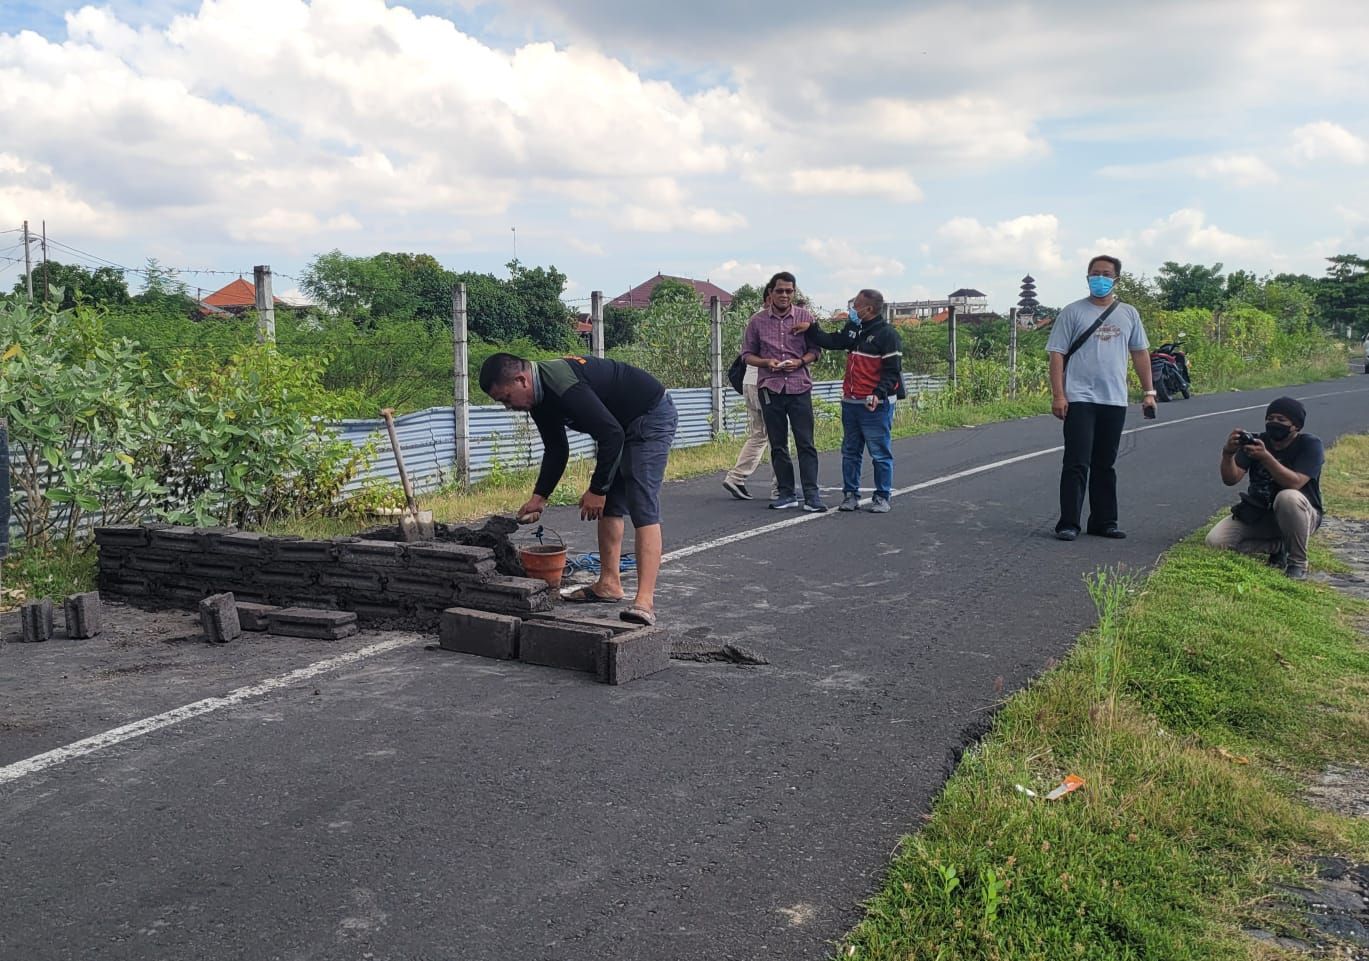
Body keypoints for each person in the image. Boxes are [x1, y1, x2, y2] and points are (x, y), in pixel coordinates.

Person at [479, 352, 677, 626]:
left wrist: (597, 489)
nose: (509, 407)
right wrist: (539, 497)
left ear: (521, 379)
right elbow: (557, 449)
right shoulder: (538, 399)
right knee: (609, 503)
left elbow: (611, 435)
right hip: (618, 426)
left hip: (649, 416)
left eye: (506, 398)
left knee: (642, 503)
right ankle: (609, 584)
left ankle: (644, 602)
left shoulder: (563, 385)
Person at [1046, 254, 1157, 540]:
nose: (1100, 278)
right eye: (1095, 273)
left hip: (1114, 399)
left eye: (1106, 274)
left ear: (1116, 278)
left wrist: (1149, 392)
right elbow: (1056, 354)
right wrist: (1059, 395)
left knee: (1105, 464)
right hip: (1079, 397)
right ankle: (1069, 522)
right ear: (1087, 277)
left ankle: (1104, 521)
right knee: (1076, 461)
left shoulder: (1129, 313)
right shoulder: (1072, 312)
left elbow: (1140, 353)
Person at [789, 288, 904, 512]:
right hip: (851, 401)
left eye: (856, 305)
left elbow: (892, 372)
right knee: (850, 451)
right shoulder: (854, 329)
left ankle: (882, 496)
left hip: (875, 404)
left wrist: (878, 393)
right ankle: (850, 494)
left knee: (879, 452)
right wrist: (811, 329)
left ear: (868, 309)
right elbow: (833, 341)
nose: (852, 309)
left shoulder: (887, 335)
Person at [1205, 397, 1323, 580]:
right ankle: (1278, 546)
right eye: (1271, 418)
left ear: (1296, 426)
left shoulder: (1310, 445)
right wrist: (1228, 453)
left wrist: (1266, 458)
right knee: (1215, 542)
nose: (1274, 423)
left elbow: (1295, 483)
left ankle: (1297, 563)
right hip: (1260, 513)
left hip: (1302, 515)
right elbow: (1230, 479)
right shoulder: (1258, 442)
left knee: (1288, 497)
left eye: (1281, 420)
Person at [741, 271, 825, 512]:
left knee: (805, 443)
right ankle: (786, 493)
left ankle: (812, 494)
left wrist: (800, 362)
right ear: (771, 293)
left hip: (799, 386)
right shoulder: (757, 322)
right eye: (780, 291)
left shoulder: (804, 317)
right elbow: (747, 354)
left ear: (794, 293)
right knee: (778, 444)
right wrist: (767, 363)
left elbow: (815, 350)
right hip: (771, 388)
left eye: (789, 291)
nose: (784, 295)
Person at [722, 280, 777, 501]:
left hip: (750, 381)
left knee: (760, 434)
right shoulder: (766, 321)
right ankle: (780, 487)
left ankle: (736, 477)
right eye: (778, 294)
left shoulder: (755, 319)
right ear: (768, 298)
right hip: (763, 384)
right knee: (778, 437)